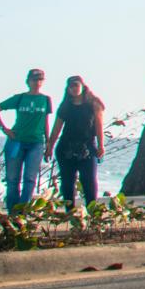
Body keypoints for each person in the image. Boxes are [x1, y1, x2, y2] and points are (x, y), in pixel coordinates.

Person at [0, 69, 51, 212]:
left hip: (36, 143)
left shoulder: (45, 100)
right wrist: (4, 129)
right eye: (34, 79)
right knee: (12, 180)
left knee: (30, 179)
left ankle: (23, 211)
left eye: (40, 79)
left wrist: (48, 143)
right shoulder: (20, 98)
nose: (37, 82)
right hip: (16, 142)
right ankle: (13, 211)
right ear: (28, 81)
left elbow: (46, 122)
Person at [46, 76, 105, 207]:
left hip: (87, 147)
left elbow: (99, 125)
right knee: (67, 182)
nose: (74, 89)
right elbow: (56, 129)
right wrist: (49, 147)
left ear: (82, 86)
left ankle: (92, 212)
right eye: (71, 86)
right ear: (68, 89)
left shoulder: (94, 103)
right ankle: (70, 212)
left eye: (76, 85)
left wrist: (101, 145)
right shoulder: (65, 106)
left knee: (89, 180)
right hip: (66, 148)